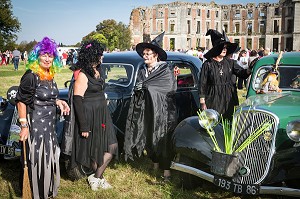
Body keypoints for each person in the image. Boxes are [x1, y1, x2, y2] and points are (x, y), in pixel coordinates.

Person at [16, 37, 70, 198]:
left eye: (50, 55)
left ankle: (44, 190)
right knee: (35, 160)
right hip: (35, 127)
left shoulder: (49, 75)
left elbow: (46, 97)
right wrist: (24, 126)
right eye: (44, 55)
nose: (47, 59)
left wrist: (58, 101)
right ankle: (33, 192)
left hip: (49, 127)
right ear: (37, 56)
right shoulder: (31, 76)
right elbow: (21, 101)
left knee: (48, 159)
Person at [124, 32, 177, 182]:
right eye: (144, 54)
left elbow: (170, 89)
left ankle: (166, 172)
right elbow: (139, 88)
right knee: (148, 135)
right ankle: (154, 164)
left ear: (156, 55)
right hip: (147, 110)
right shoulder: (142, 71)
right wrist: (138, 88)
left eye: (148, 54)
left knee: (162, 138)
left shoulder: (165, 70)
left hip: (163, 111)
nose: (145, 56)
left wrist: (147, 87)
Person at [69, 40, 118, 190]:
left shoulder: (99, 70)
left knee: (112, 146)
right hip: (89, 115)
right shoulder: (83, 74)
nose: (102, 58)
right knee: (94, 149)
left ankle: (96, 177)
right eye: (100, 55)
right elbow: (77, 100)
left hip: (102, 113)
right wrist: (83, 125)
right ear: (92, 55)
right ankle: (98, 178)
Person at [199, 29, 252, 120]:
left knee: (229, 120)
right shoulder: (207, 64)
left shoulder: (230, 62)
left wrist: (250, 69)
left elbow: (242, 74)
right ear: (216, 49)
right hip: (213, 96)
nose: (225, 49)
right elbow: (202, 83)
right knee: (214, 120)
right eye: (222, 47)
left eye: (226, 48)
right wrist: (202, 102)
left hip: (228, 96)